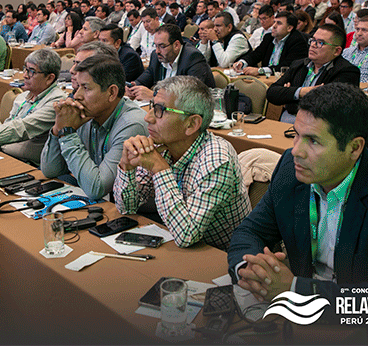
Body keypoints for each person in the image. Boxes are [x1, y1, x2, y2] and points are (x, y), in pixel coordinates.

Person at [227, 82, 368, 342]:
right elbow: (250, 231)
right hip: (305, 321)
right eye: (296, 134)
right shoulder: (290, 168)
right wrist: (248, 269)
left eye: (314, 141)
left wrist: (294, 290)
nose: (296, 150)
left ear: (354, 148)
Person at [115, 76, 251, 250]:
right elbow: (127, 208)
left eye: (160, 110)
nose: (148, 118)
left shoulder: (216, 159)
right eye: (152, 107)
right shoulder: (160, 144)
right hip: (179, 243)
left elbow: (186, 235)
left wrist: (159, 169)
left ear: (192, 124)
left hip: (223, 257)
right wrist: (126, 167)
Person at [41, 55, 148, 200]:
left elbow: (97, 189)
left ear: (111, 93)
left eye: (85, 88)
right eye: (78, 87)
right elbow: (50, 170)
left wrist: (68, 134)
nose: (77, 96)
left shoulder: (131, 124)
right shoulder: (84, 113)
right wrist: (58, 128)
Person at [0, 49, 66, 165]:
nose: (25, 75)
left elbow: (21, 128)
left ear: (49, 78)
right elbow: (9, 125)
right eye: (25, 69)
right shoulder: (24, 96)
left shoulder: (57, 102)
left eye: (31, 72)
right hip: (3, 152)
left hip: (28, 163)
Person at [266, 24, 360, 124]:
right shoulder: (299, 65)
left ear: (337, 51)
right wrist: (300, 92)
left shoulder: (347, 71)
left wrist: (289, 97)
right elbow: (271, 93)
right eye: (313, 40)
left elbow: (330, 108)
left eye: (320, 43)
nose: (313, 45)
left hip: (319, 127)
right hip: (287, 121)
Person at [131, 24, 214, 100]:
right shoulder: (156, 56)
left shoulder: (193, 58)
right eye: (155, 46)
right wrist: (133, 87)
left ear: (176, 45)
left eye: (162, 46)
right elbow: (147, 76)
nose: (157, 51)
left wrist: (155, 95)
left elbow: (191, 95)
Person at [233, 11, 309, 77]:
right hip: (266, 79)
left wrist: (260, 70)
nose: (274, 26)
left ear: (289, 28)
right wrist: (242, 62)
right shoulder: (269, 37)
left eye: (279, 23)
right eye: (274, 22)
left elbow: (287, 66)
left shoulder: (298, 41)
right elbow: (256, 54)